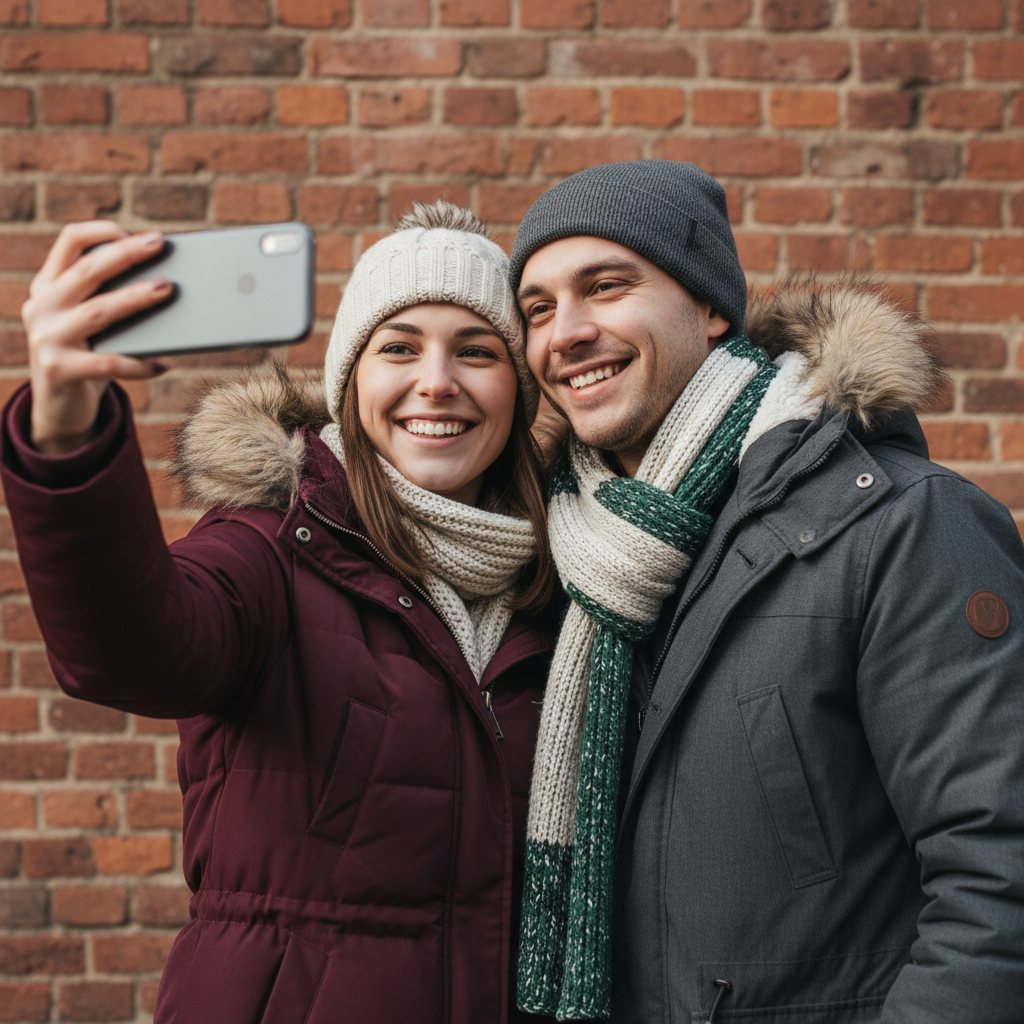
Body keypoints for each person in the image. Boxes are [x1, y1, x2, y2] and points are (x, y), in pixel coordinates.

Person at [1, 202, 560, 1024]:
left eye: (476, 352)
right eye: (398, 347)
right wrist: (64, 428)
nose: (437, 380)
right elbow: (132, 646)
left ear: (518, 388)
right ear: (349, 381)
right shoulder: (271, 547)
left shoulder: (566, 588)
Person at [507, 160, 1024, 1022]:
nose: (566, 332)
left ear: (711, 308)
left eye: (605, 286)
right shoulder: (568, 560)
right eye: (539, 308)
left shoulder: (898, 526)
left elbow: (1000, 876)